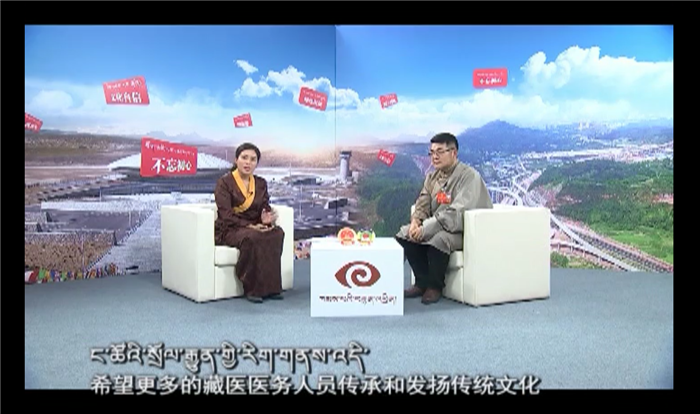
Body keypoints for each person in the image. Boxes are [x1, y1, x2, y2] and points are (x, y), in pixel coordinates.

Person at [395, 133, 493, 305]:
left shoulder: (469, 177)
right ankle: (421, 282)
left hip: (465, 231)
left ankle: (435, 286)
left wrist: (426, 228)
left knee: (440, 239)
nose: (434, 157)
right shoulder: (432, 177)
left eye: (440, 152)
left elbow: (456, 212)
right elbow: (422, 203)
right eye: (432, 152)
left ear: (453, 152)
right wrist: (415, 222)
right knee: (405, 233)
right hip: (439, 225)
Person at [214, 142, 285, 303]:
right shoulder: (224, 183)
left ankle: (272, 288)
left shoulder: (260, 183)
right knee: (253, 237)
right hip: (230, 228)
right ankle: (253, 289)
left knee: (277, 233)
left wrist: (265, 218)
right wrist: (250, 226)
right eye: (244, 158)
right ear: (236, 160)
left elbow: (264, 206)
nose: (248, 162)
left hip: (254, 226)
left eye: (253, 159)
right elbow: (225, 215)